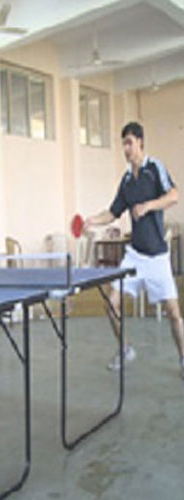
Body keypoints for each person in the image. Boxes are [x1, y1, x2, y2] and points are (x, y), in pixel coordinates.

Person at [84, 121, 184, 377]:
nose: (126, 149)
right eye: (123, 144)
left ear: (140, 142)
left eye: (129, 143)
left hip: (158, 256)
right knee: (111, 304)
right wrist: (92, 220)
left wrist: (148, 206)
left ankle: (183, 358)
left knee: (174, 314)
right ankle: (125, 349)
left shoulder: (155, 168)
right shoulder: (127, 181)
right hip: (135, 256)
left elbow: (174, 196)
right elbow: (113, 212)